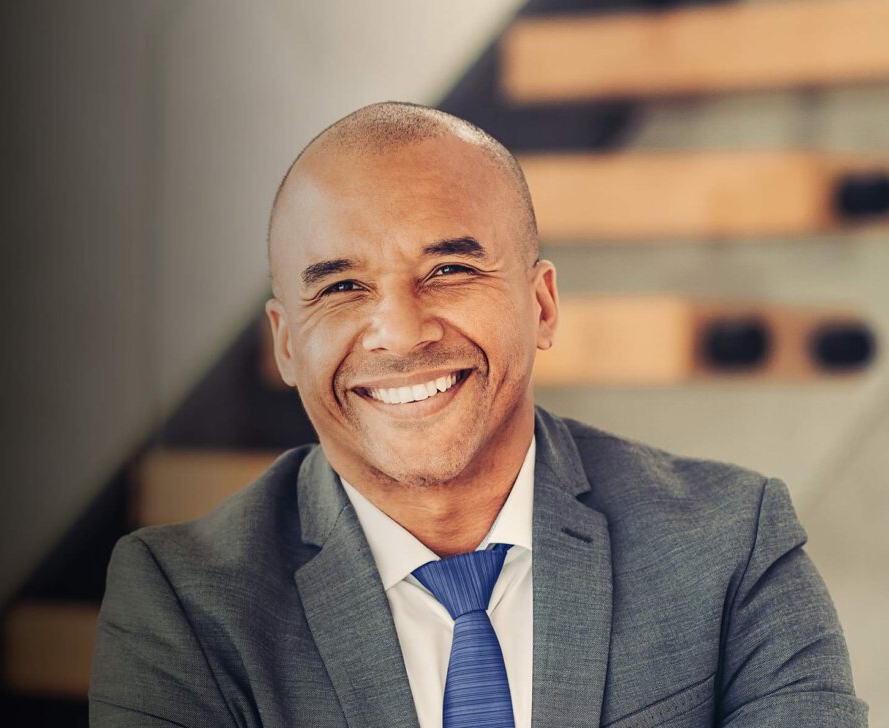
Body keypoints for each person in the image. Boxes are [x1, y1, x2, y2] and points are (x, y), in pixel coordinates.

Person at [88, 102, 866, 727]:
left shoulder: (731, 541)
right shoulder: (183, 603)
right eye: (341, 287)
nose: (400, 331)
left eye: (449, 269)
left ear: (541, 305)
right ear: (287, 346)